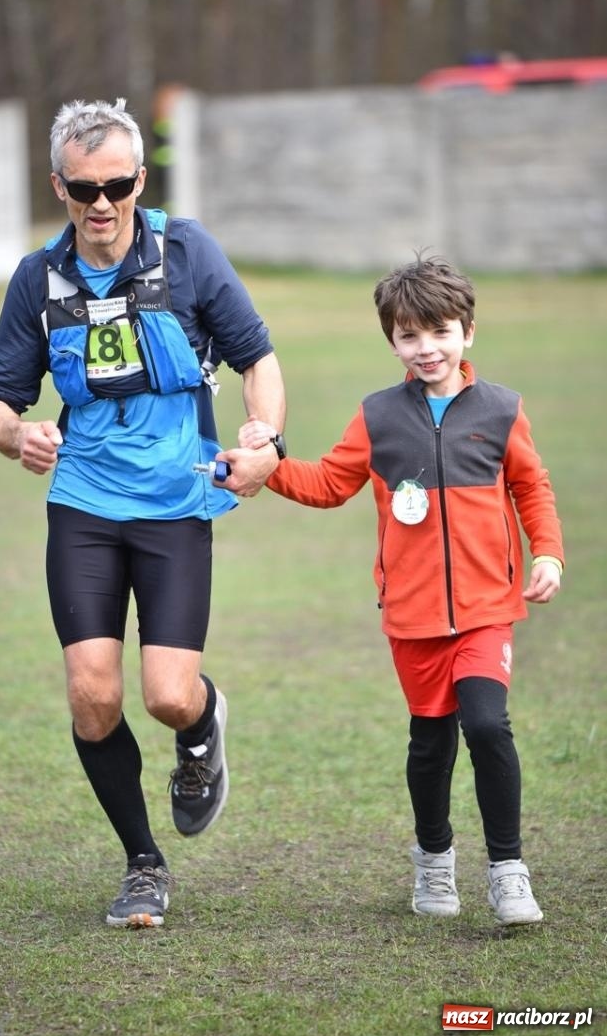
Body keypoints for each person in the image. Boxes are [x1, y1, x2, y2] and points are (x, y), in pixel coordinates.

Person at [0, 98, 284, 929]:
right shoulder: (36, 278)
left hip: (177, 499)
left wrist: (268, 441)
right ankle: (142, 864)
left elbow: (257, 358)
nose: (102, 204)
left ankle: (202, 726)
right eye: (84, 190)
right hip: (81, 501)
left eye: (118, 184)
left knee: (166, 696)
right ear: (59, 188)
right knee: (90, 696)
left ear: (140, 180)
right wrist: (19, 437)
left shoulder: (186, 252)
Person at [226, 254, 563, 926]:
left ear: (466, 331)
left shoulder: (500, 411)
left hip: (485, 610)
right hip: (410, 617)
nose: (425, 348)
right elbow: (328, 482)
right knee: (430, 743)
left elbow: (530, 485)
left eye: (438, 331)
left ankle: (507, 872)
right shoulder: (377, 416)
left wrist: (546, 551)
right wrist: (266, 470)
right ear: (392, 342)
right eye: (408, 336)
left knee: (487, 726)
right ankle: (434, 861)